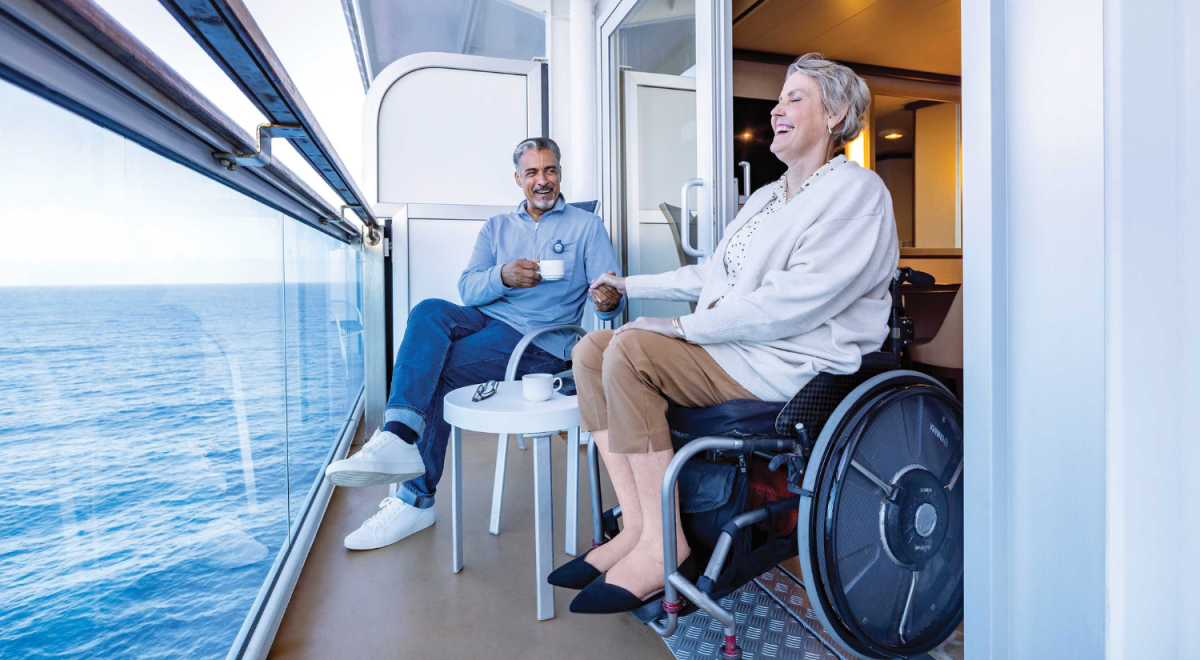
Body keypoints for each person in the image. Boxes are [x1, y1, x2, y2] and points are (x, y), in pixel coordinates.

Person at [550, 53, 900, 614]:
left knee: (633, 352)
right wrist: (628, 283)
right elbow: (711, 274)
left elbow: (792, 303)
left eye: (795, 98)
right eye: (779, 98)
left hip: (791, 361)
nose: (777, 109)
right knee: (592, 349)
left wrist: (681, 326)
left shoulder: (857, 193)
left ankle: (668, 548)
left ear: (834, 114)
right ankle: (639, 528)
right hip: (740, 347)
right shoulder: (767, 196)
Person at [325, 137, 625, 550]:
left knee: (442, 371)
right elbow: (468, 289)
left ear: (559, 174)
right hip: (489, 318)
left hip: (539, 340)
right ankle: (397, 437)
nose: (543, 181)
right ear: (518, 178)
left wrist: (609, 301)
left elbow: (608, 300)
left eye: (550, 170)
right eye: (533, 172)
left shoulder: (586, 227)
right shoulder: (497, 227)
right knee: (429, 310)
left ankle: (415, 498)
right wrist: (502, 276)